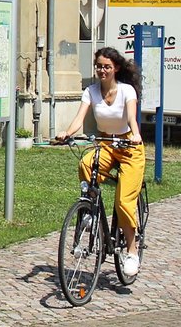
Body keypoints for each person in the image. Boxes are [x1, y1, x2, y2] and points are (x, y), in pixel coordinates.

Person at [52, 45, 146, 277]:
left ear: (115, 69)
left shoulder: (127, 91)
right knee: (86, 163)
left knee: (124, 203)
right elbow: (79, 119)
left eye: (107, 67)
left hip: (129, 147)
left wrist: (135, 135)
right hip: (106, 144)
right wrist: (67, 133)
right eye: (99, 66)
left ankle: (132, 251)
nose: (102, 71)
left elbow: (132, 119)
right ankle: (89, 209)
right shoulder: (91, 92)